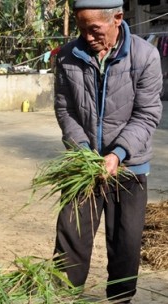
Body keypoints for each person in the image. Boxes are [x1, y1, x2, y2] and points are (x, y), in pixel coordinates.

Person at [53, 0, 163, 302]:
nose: (87, 37)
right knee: (70, 240)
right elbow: (65, 110)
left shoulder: (145, 56)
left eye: (94, 29)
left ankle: (120, 300)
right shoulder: (67, 56)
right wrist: (85, 152)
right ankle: (61, 298)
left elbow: (147, 113)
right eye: (81, 29)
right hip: (83, 167)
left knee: (125, 246)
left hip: (129, 169)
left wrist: (117, 154)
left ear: (117, 18)